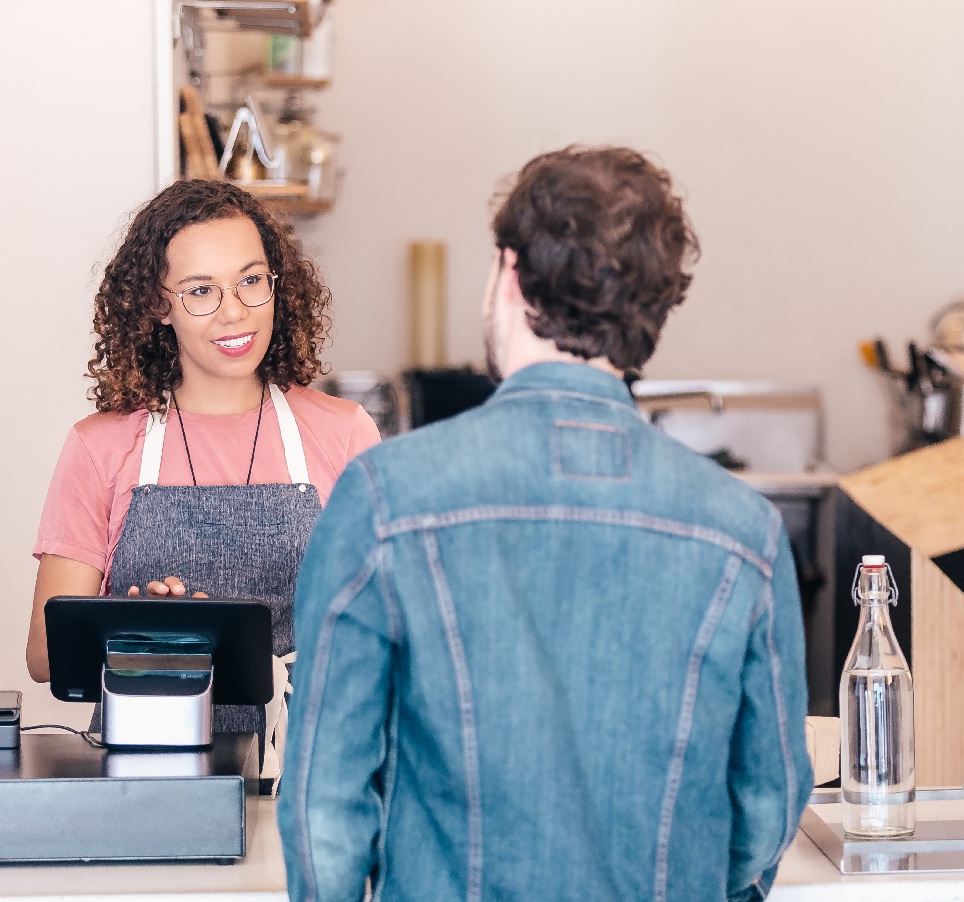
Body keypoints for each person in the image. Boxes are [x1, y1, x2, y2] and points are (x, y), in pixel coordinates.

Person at [280, 146, 813, 901]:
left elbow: (324, 809)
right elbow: (766, 805)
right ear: (653, 311)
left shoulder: (384, 497)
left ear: (509, 274)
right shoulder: (744, 531)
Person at [26, 180, 380, 744]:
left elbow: (389, 627)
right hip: (144, 767)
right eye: (200, 291)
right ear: (157, 304)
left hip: (308, 760)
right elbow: (46, 657)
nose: (234, 312)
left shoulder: (344, 434)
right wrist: (138, 627)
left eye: (251, 281)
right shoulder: (100, 446)